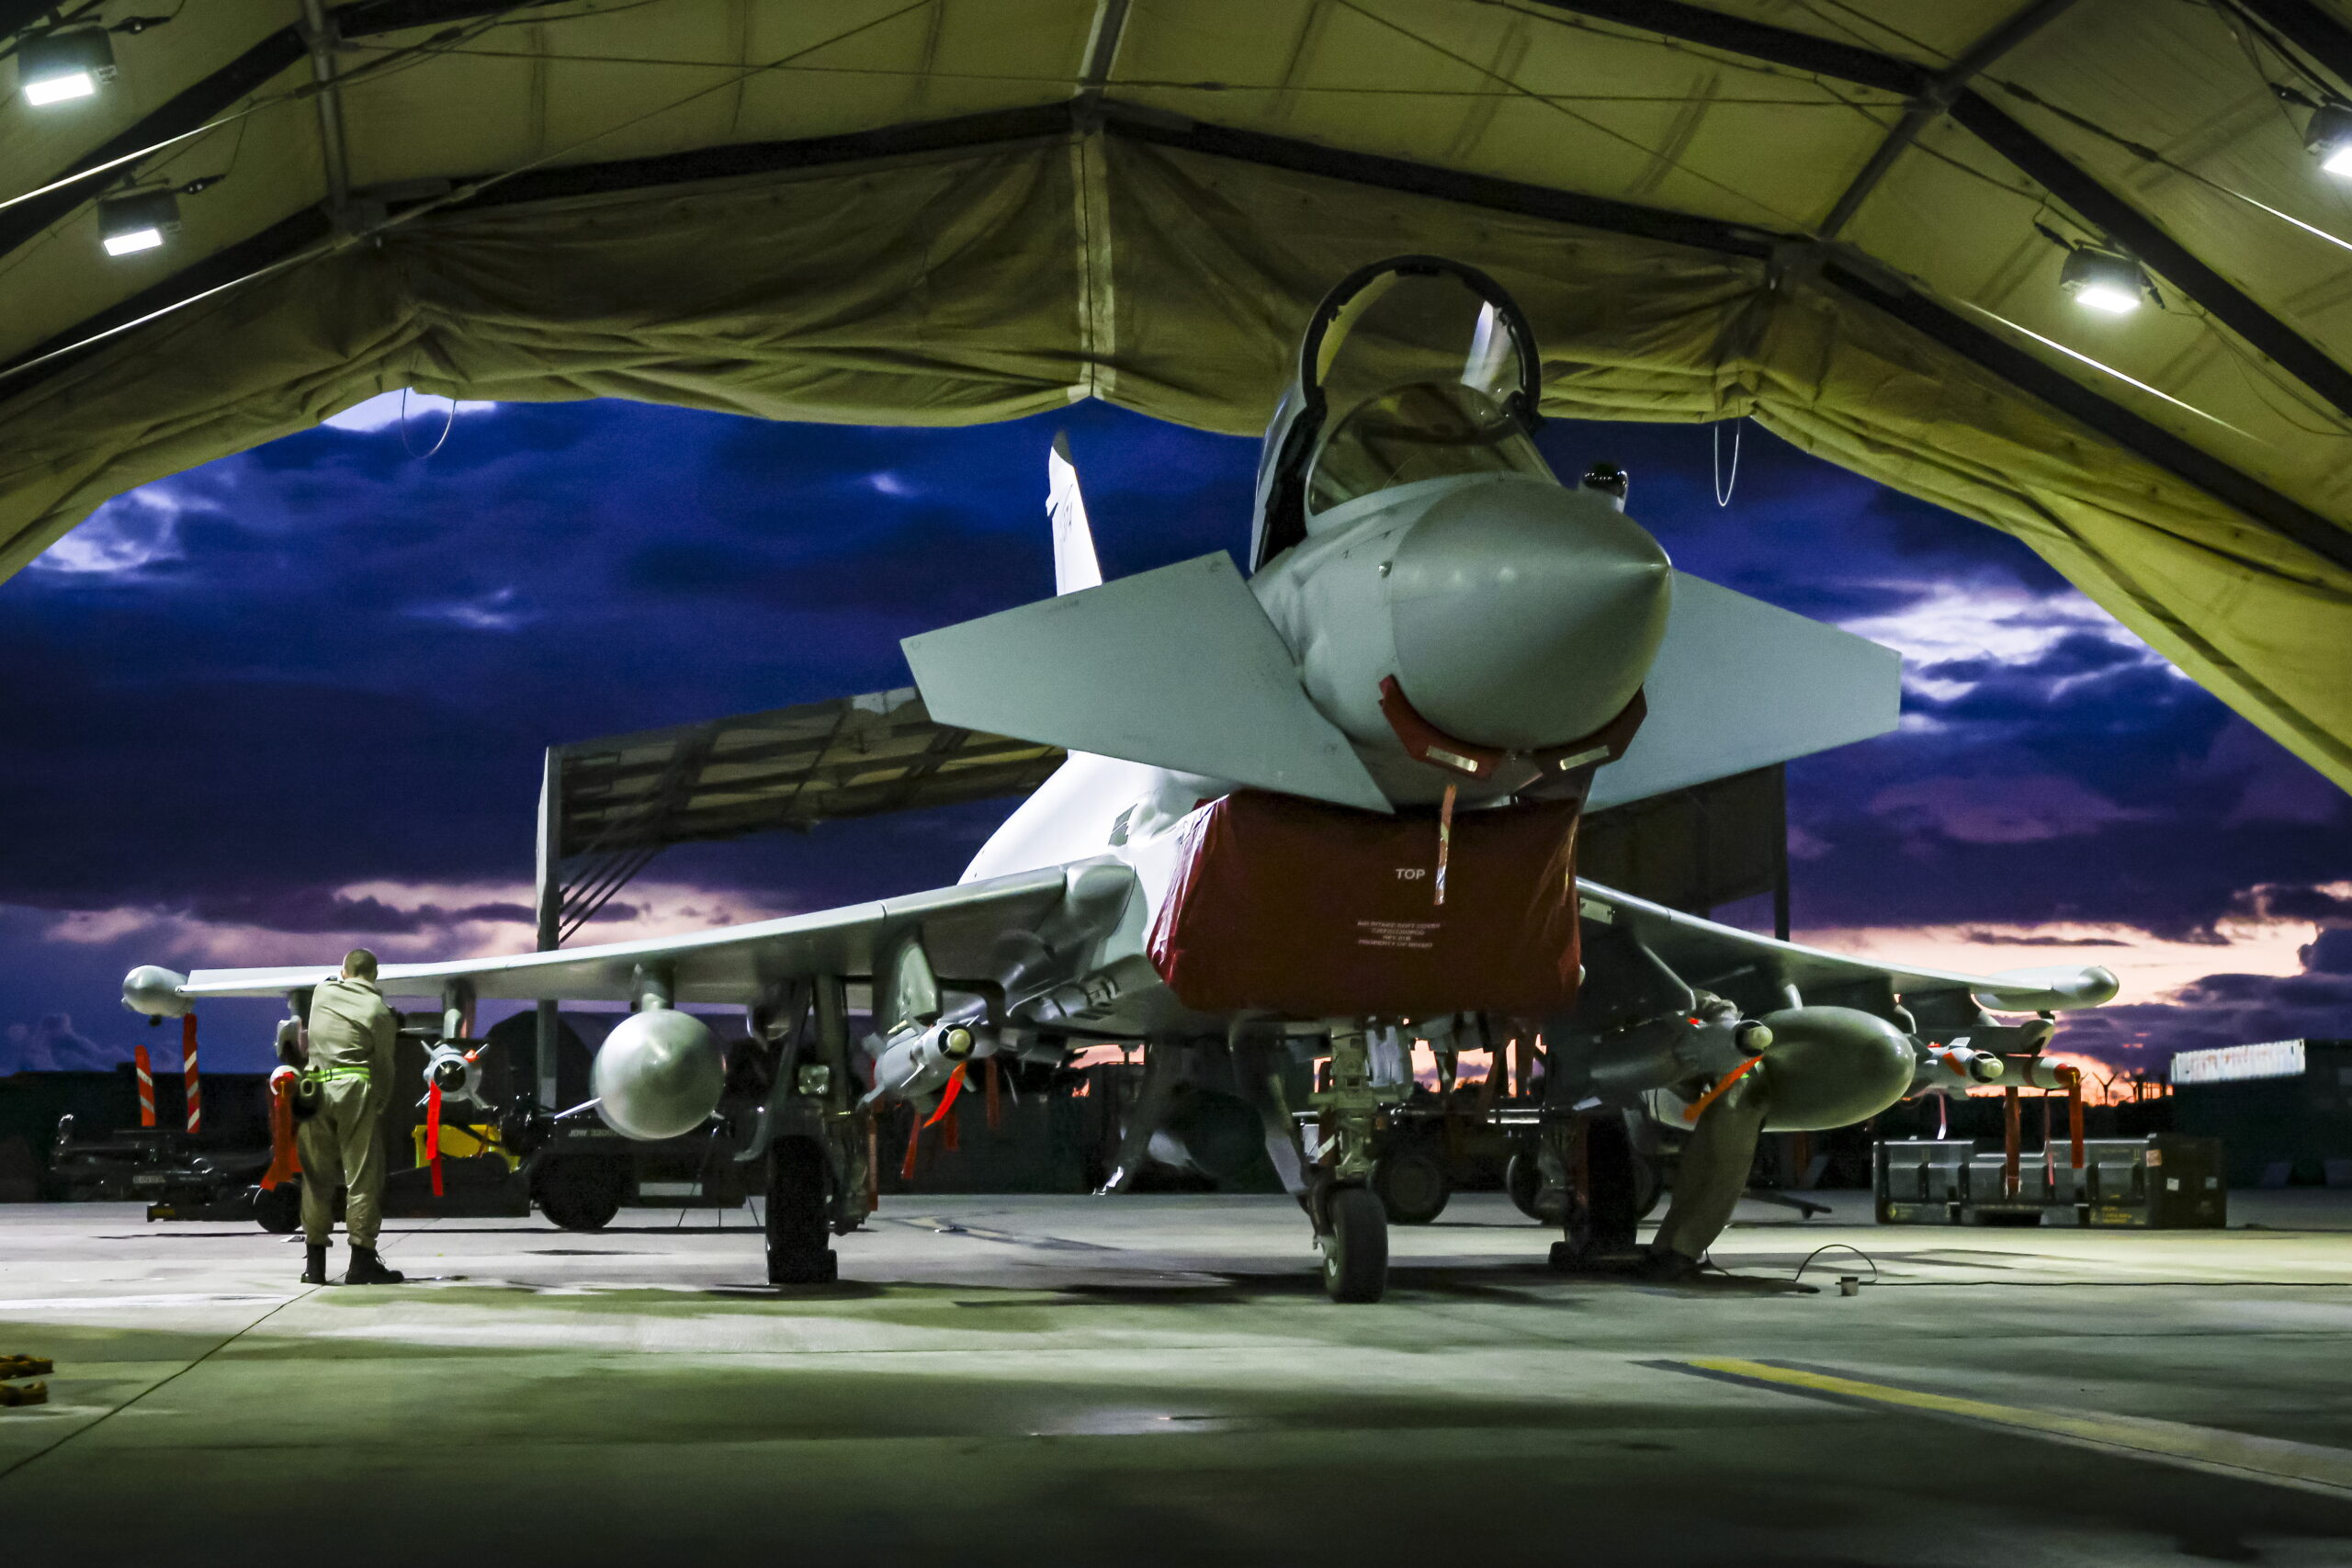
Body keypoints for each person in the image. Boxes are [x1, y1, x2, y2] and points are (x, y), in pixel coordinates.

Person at [294, 948, 404, 1285]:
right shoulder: (378, 1011)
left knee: (315, 1176)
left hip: (313, 1087)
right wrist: (381, 1102)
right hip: (353, 1090)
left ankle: (314, 1265)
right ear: (374, 975)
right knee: (362, 1177)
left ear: (343, 971)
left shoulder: (321, 992)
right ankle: (361, 1261)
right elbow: (384, 1065)